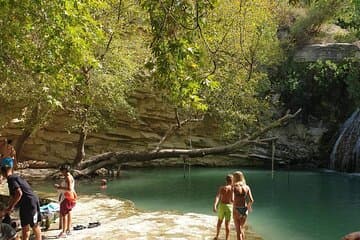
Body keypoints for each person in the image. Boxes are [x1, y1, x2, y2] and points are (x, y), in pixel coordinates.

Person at [0, 158, 42, 240]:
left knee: (34, 224)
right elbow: (13, 196)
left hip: (30, 203)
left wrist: (11, 207)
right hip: (24, 204)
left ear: (2, 170)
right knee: (24, 225)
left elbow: (19, 193)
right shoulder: (13, 178)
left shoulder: (12, 179)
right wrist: (8, 207)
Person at [54, 164, 76, 238]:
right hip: (70, 197)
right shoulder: (70, 176)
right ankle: (68, 230)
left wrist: (59, 187)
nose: (61, 172)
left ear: (64, 170)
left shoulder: (68, 178)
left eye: (61, 171)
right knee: (68, 212)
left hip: (66, 198)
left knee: (64, 215)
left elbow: (69, 188)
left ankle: (63, 232)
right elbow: (72, 189)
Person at [232, 171, 254, 240]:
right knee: (242, 228)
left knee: (238, 232)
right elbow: (251, 200)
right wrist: (249, 207)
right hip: (244, 209)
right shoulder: (247, 187)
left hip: (236, 209)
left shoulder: (234, 187)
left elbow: (232, 199)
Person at [213, 174, 233, 240]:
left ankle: (217, 236)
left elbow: (217, 197)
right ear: (232, 181)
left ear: (226, 180)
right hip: (229, 207)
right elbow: (234, 199)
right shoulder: (233, 188)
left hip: (222, 206)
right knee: (227, 224)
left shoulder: (222, 188)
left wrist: (215, 205)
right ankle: (227, 239)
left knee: (219, 222)